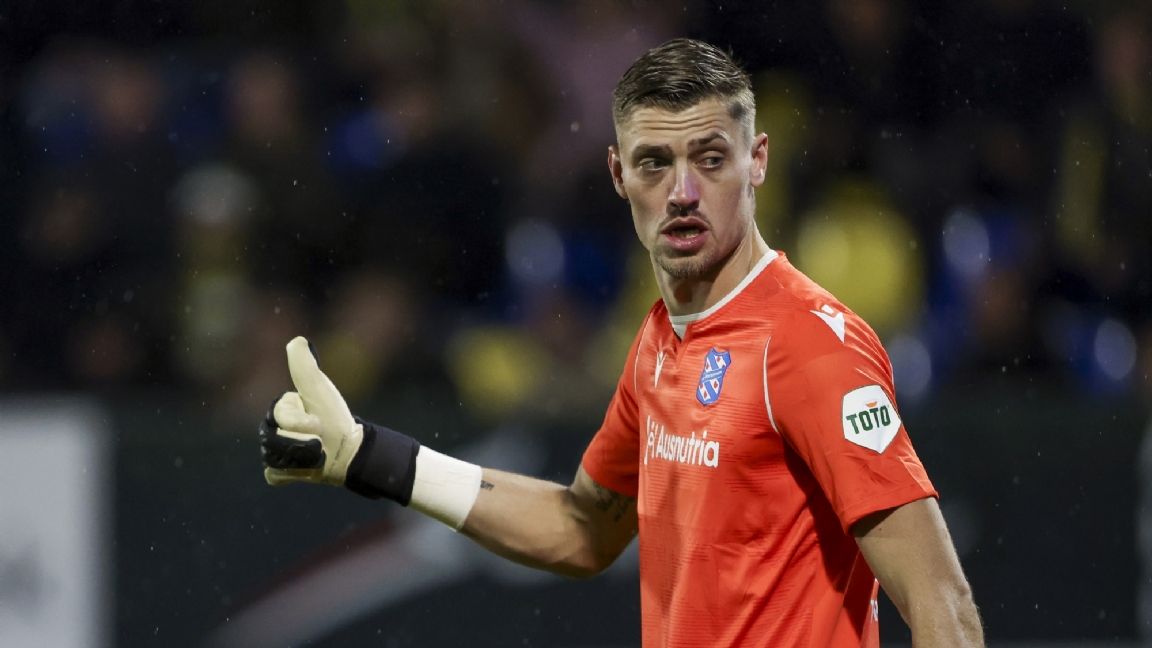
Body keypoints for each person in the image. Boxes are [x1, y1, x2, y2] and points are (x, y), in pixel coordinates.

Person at [259, 38, 984, 647]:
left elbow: (941, 602)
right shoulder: (659, 339)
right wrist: (373, 457)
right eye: (655, 162)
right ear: (618, 173)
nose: (683, 192)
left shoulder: (809, 344)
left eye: (711, 158)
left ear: (758, 160)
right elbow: (582, 528)